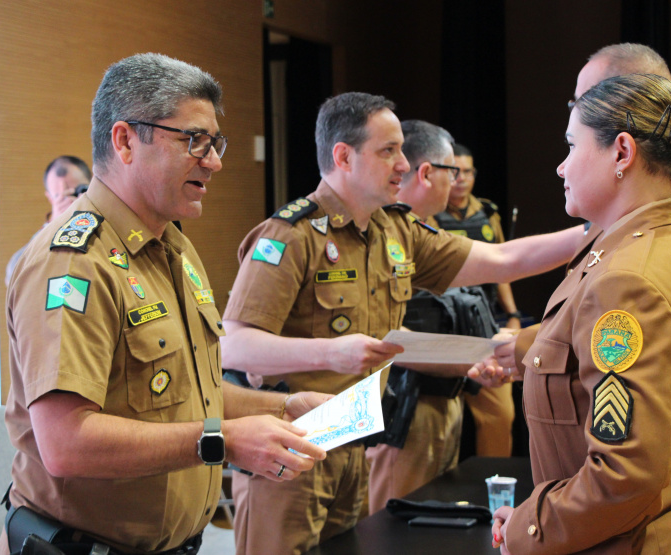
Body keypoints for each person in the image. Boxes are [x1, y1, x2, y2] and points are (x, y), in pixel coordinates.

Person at [220, 92, 585, 554]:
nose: (403, 164)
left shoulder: (394, 230)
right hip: (286, 448)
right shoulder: (290, 237)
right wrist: (330, 352)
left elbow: (506, 257)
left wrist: (600, 226)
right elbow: (233, 346)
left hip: (354, 446)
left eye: (402, 151)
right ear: (343, 156)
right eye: (388, 150)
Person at [0, 53, 329, 555]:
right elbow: (66, 443)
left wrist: (283, 408)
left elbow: (188, 390)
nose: (214, 161)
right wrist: (226, 440)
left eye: (216, 143)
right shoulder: (72, 262)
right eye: (194, 140)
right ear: (126, 140)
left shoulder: (171, 245)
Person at [484, 72, 671, 554]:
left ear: (622, 152)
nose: (561, 167)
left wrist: (529, 527)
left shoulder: (627, 279)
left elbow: (624, 476)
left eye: (572, 146)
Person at [363, 119, 470, 513]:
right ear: (427, 173)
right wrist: (478, 355)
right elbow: (381, 331)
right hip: (403, 406)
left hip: (444, 396)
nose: (457, 182)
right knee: (390, 523)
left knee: (431, 522)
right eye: (452, 171)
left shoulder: (430, 230)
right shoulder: (375, 230)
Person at [431, 143, 517, 457]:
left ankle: (495, 482)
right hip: (449, 324)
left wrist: (513, 313)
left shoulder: (488, 213)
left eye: (468, 172)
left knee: (500, 414)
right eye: (455, 172)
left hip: (488, 322)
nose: (462, 179)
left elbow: (503, 267)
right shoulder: (430, 214)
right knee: (441, 420)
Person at [5, 155, 92, 287]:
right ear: (50, 199)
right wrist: (55, 226)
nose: (72, 201)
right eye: (61, 197)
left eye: (79, 191)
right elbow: (14, 277)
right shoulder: (41, 239)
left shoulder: (107, 224)